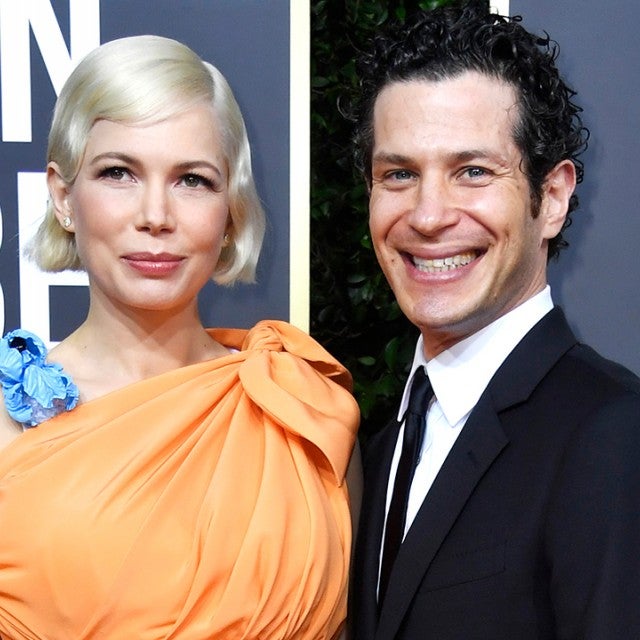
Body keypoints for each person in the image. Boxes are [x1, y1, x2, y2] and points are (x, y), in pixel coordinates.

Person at [0, 35, 360, 639]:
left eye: (192, 180)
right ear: (62, 196)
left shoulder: (302, 404)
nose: (156, 215)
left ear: (231, 211)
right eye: (119, 173)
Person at [349, 2, 640, 638]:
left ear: (552, 198)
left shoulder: (615, 435)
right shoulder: (380, 448)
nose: (428, 216)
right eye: (398, 174)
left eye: (473, 172)